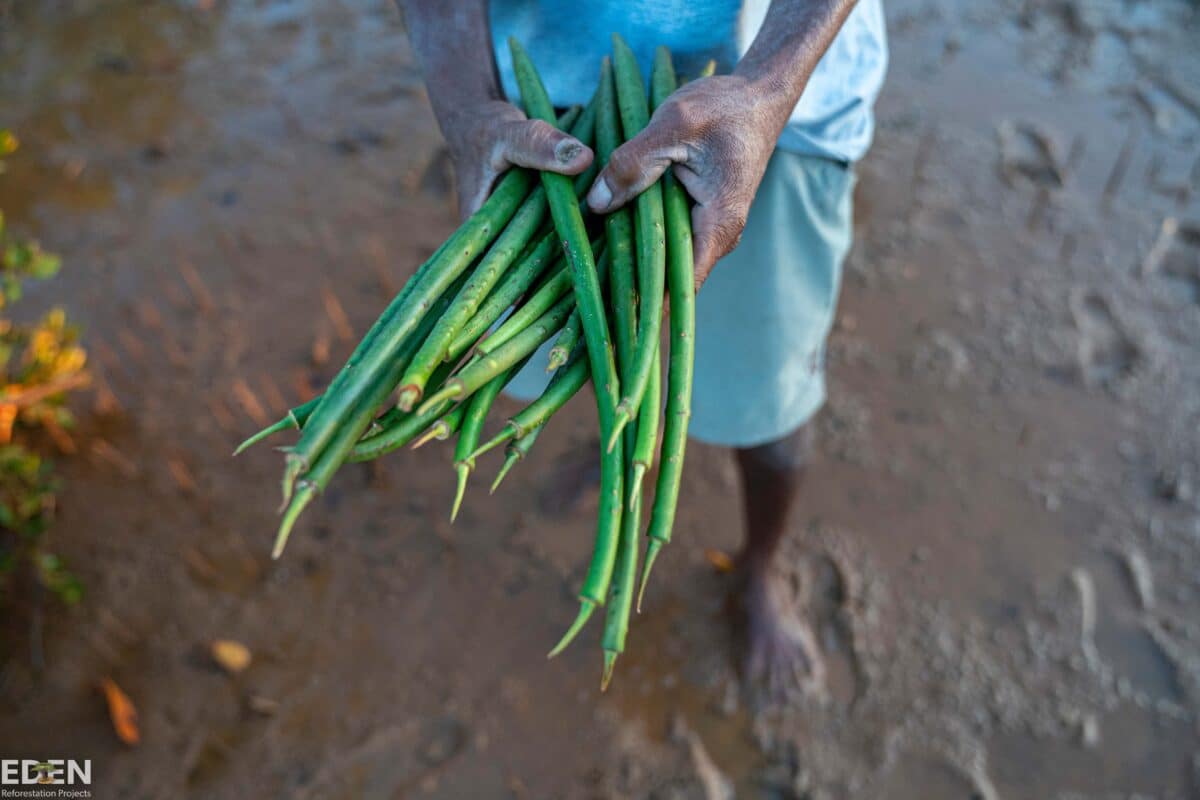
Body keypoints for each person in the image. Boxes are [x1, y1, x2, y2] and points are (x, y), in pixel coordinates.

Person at [398, 0, 887, 691]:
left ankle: (759, 565)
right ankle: (625, 442)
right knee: (596, 344)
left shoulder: (779, 87)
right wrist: (465, 103)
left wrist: (770, 87)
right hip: (542, 95)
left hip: (783, 90)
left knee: (770, 399)